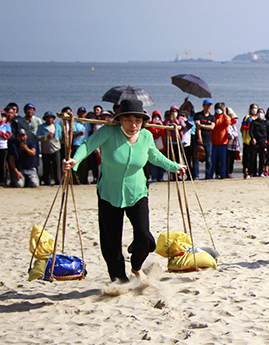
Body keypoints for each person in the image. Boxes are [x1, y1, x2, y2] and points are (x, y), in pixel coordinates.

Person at [63, 99, 187, 283]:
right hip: (108, 193)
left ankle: (136, 266)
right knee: (110, 241)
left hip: (137, 193)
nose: (133, 125)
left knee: (145, 237)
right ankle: (119, 278)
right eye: (128, 120)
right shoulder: (107, 132)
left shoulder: (145, 136)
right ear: (120, 119)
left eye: (137, 120)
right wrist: (75, 160)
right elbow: (87, 146)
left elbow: (153, 155)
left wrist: (174, 166)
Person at [37, 111, 63, 186]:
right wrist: (46, 137)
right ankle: (47, 181)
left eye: (51, 117)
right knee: (46, 167)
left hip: (56, 149)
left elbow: (60, 137)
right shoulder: (41, 127)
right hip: (45, 149)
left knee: (57, 166)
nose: (49, 119)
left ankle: (58, 181)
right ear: (45, 119)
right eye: (47, 118)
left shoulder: (57, 126)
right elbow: (37, 137)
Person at [248, 108, 269, 177]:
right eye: (259, 112)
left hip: (263, 141)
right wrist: (253, 138)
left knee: (263, 158)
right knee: (253, 157)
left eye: (262, 112)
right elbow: (250, 131)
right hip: (255, 142)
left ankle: (261, 172)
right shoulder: (253, 122)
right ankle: (252, 172)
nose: (260, 113)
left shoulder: (266, 123)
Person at [193, 99, 214, 180]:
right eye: (207, 105)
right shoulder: (198, 115)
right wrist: (199, 138)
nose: (209, 107)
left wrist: (202, 126)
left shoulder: (212, 117)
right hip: (199, 139)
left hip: (208, 140)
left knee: (208, 159)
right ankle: (196, 175)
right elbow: (197, 127)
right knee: (196, 158)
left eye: (210, 105)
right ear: (203, 105)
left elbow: (212, 127)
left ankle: (208, 176)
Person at [209, 103, 230, 179]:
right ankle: (210, 174)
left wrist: (224, 113)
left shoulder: (224, 118)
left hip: (223, 142)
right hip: (214, 142)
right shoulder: (213, 118)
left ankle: (222, 174)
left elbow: (228, 122)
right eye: (217, 108)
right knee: (212, 160)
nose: (218, 110)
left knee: (223, 160)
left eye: (220, 108)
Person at [240, 104, 258, 179]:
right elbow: (242, 127)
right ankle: (246, 171)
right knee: (246, 157)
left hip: (256, 140)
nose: (255, 110)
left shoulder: (257, 118)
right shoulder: (247, 117)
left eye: (256, 108)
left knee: (254, 157)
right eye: (253, 108)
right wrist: (250, 127)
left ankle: (253, 172)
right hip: (247, 140)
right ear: (250, 109)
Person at [226, 108, 240, 178]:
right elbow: (229, 134)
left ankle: (230, 172)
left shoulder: (235, 127)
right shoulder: (228, 126)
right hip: (228, 146)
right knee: (228, 160)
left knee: (232, 160)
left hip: (234, 146)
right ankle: (227, 172)